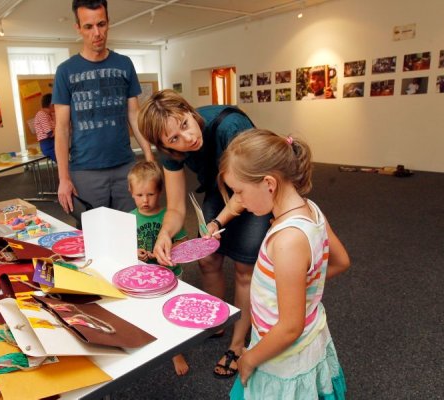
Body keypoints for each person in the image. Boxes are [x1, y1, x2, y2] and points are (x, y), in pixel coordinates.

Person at [138, 89, 272, 379]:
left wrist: (217, 222)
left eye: (185, 125)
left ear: (189, 110)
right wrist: (164, 234)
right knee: (208, 259)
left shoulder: (230, 127)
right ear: (164, 145)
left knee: (244, 270)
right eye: (174, 139)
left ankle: (237, 345)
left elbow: (245, 191)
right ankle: (218, 320)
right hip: (218, 185)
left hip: (254, 186)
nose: (187, 139)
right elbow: (176, 207)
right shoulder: (171, 150)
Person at [216, 129, 350, 399]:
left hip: (281, 355)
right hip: (310, 334)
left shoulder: (287, 240)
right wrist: (301, 287)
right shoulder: (311, 209)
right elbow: (341, 261)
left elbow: (290, 327)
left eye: (239, 191)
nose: (237, 201)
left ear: (269, 183)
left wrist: (250, 358)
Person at [52, 0, 154, 225]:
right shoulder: (66, 71)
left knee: (130, 229)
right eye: (88, 27)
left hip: (125, 166)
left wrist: (149, 157)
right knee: (93, 233)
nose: (96, 33)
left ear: (108, 22)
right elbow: (62, 128)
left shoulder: (124, 64)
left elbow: (134, 115)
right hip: (85, 170)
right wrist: (63, 178)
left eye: (101, 24)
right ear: (78, 28)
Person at [127, 160, 189, 375]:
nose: (145, 200)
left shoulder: (170, 217)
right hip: (144, 279)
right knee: (147, 312)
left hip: (171, 276)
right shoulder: (129, 218)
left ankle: (175, 351)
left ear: (160, 191)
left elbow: (183, 243)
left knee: (171, 312)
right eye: (139, 195)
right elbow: (123, 246)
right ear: (131, 192)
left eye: (150, 194)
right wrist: (136, 253)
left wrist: (168, 253)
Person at [34, 93, 56, 161]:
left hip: (52, 142)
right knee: (63, 161)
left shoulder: (49, 114)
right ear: (51, 105)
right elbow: (50, 133)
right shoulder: (42, 114)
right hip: (48, 144)